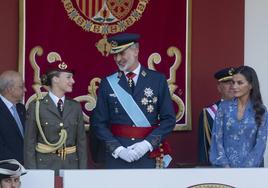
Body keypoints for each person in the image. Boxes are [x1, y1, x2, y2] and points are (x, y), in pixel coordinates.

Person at [91, 33, 176, 168]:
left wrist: (146, 145)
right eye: (115, 55)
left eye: (122, 53)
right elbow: (98, 123)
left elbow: (169, 119)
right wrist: (118, 150)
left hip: (148, 155)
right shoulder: (108, 83)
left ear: (136, 51)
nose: (118, 59)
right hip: (117, 157)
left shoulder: (157, 80)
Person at [24, 61, 87, 175]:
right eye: (68, 77)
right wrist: (32, 174)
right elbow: (29, 144)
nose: (72, 81)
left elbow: (81, 143)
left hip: (71, 166)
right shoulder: (37, 106)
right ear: (55, 79)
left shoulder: (75, 106)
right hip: (45, 167)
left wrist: (82, 173)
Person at [210, 65, 268, 167]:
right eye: (233, 82)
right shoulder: (223, 108)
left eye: (240, 83)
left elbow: (260, 145)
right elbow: (216, 140)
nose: (234, 86)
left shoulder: (261, 111)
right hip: (225, 171)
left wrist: (244, 171)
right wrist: (225, 166)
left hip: (251, 172)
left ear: (250, 85)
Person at [198, 67, 235, 165]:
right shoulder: (208, 113)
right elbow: (204, 150)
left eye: (234, 82)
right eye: (227, 82)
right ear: (219, 87)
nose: (232, 86)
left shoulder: (249, 111)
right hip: (218, 170)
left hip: (246, 169)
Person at [0, 71, 26, 164]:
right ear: (9, 89)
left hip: (25, 167)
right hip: (5, 168)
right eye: (21, 87)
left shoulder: (21, 108)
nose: (25, 90)